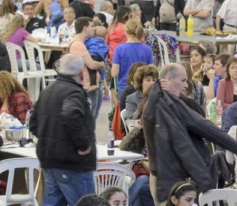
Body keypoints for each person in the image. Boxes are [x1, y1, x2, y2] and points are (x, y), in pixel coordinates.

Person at [143, 64, 237, 204]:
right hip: (166, 177)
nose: (186, 85)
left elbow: (200, 116)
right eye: (182, 80)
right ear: (168, 79)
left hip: (180, 175)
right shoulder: (157, 104)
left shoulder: (175, 102)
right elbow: (197, 129)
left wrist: (179, 96)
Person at [30, 54, 97, 206]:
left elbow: (33, 123)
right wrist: (83, 145)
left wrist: (48, 138)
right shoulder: (74, 92)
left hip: (50, 160)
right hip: (71, 162)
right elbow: (70, 114)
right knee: (86, 203)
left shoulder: (48, 91)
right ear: (81, 72)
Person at [111, 19, 154, 95]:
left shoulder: (119, 49)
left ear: (126, 31)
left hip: (124, 87)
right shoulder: (147, 49)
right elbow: (152, 70)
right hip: (142, 87)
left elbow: (114, 73)